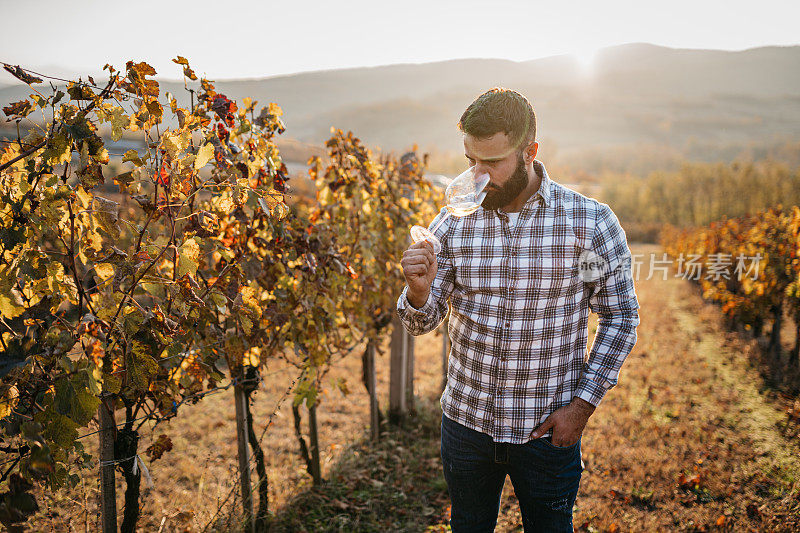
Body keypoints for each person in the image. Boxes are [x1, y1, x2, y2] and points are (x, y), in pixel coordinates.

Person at [396, 88, 640, 532]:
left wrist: (582, 407)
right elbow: (422, 322)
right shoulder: (452, 222)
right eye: (470, 160)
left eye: (492, 163)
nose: (478, 175)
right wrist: (418, 292)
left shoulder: (589, 223)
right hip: (467, 427)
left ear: (531, 152)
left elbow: (621, 316)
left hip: (548, 431)